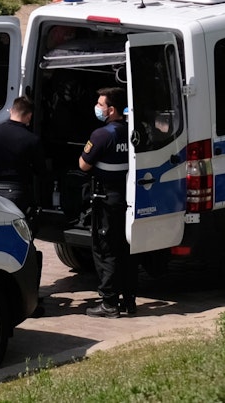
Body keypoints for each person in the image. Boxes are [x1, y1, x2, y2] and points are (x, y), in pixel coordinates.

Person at [81, 87, 135, 317]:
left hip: (106, 199)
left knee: (105, 250)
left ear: (111, 110)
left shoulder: (102, 135)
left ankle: (109, 303)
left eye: (100, 104)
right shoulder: (132, 132)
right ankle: (129, 300)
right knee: (125, 249)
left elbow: (83, 165)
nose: (97, 107)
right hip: (127, 197)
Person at [0, 96, 46, 213]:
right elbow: (40, 170)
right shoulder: (32, 140)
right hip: (19, 193)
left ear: (11, 111)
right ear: (29, 116)